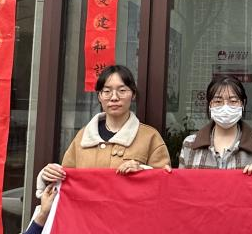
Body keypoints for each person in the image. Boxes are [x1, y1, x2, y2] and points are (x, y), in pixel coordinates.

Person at [38, 65, 170, 188]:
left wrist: (143, 172)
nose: (114, 97)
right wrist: (50, 175)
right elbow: (66, 180)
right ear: (99, 96)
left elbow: (164, 184)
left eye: (122, 90)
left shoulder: (150, 137)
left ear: (133, 94)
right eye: (106, 91)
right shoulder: (83, 136)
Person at [178, 74, 252, 173]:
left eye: (233, 101)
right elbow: (181, 181)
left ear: (243, 103)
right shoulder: (190, 143)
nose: (225, 107)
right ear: (210, 105)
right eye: (218, 101)